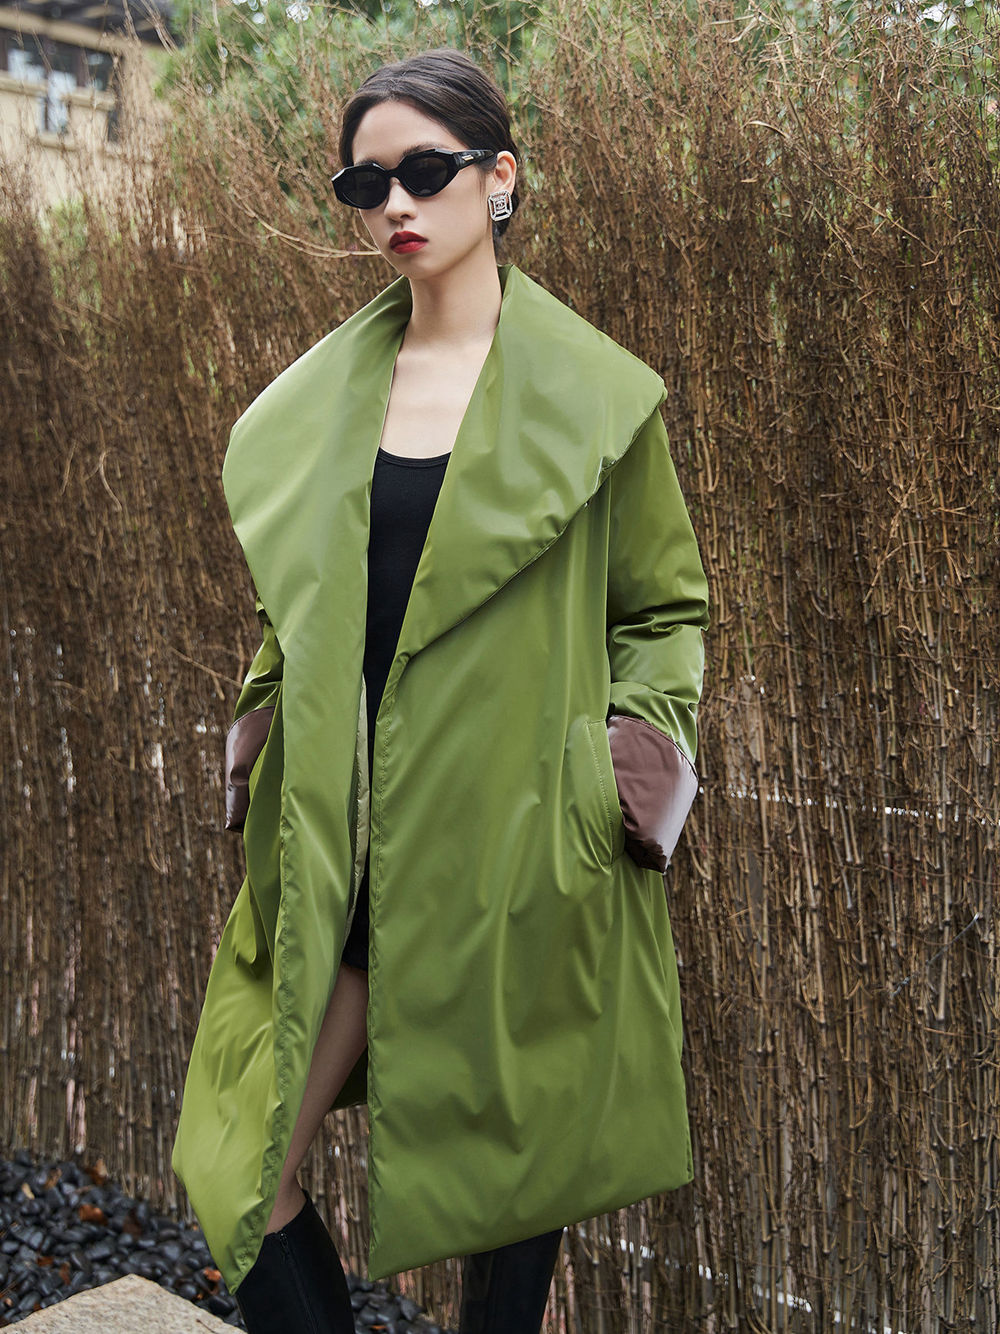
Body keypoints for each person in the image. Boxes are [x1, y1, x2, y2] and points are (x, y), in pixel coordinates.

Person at [171, 46, 710, 1334]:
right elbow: (299, 603)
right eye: (368, 183)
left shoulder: (597, 399)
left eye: (425, 170)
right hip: (347, 846)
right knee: (238, 1167)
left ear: (499, 177)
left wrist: (621, 773)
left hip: (523, 854)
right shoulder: (316, 402)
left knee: (513, 1196)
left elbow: (663, 612)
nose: (397, 204)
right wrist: (263, 714)